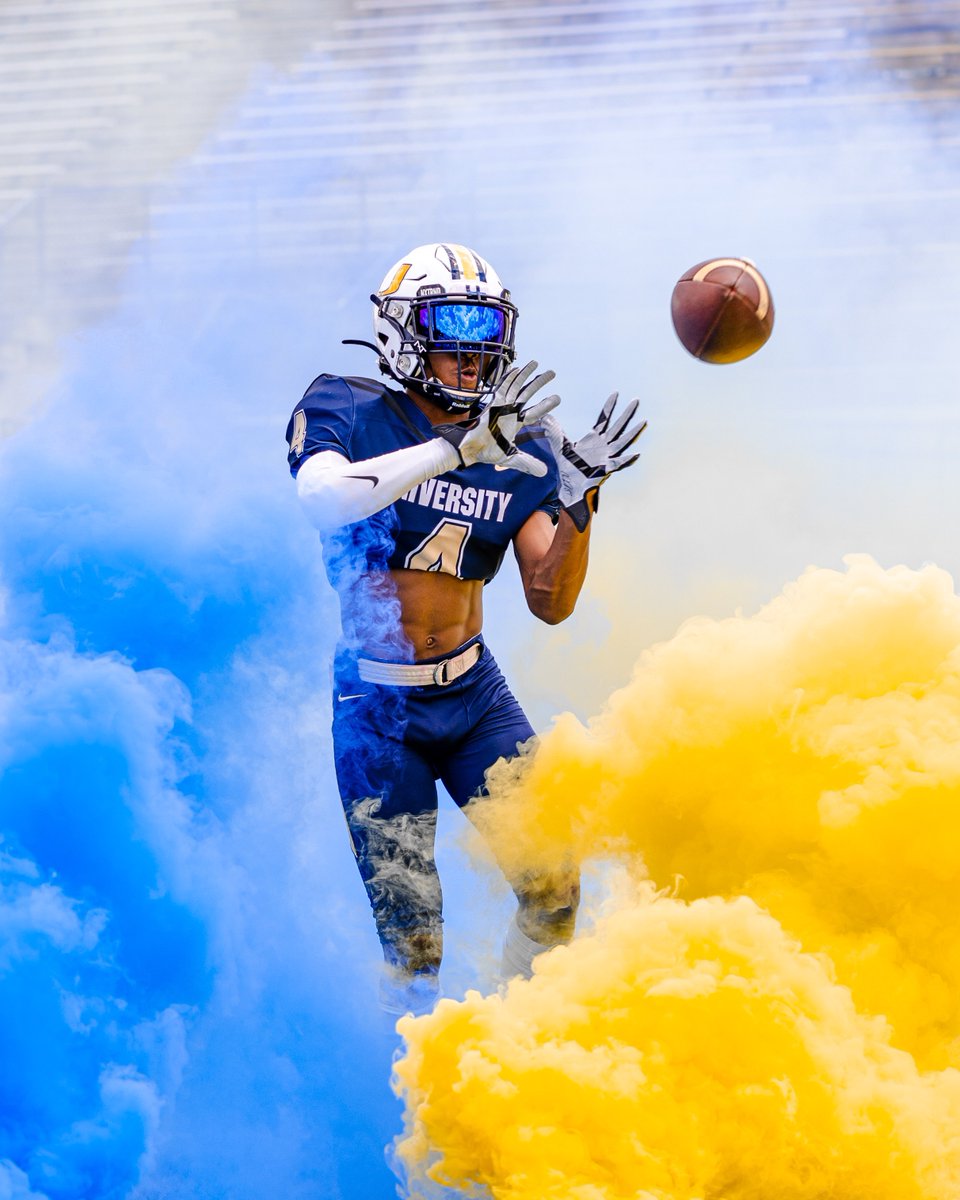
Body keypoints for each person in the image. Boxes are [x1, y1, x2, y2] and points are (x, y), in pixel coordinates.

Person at [286, 242, 645, 1014]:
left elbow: (550, 599)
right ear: (401, 333)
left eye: (485, 332)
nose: (473, 354)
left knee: (555, 886)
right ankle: (417, 1088)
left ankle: (522, 1034)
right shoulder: (347, 409)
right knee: (413, 951)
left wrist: (578, 499)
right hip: (379, 709)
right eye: (452, 333)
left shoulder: (521, 444)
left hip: (475, 696)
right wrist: (455, 450)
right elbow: (322, 499)